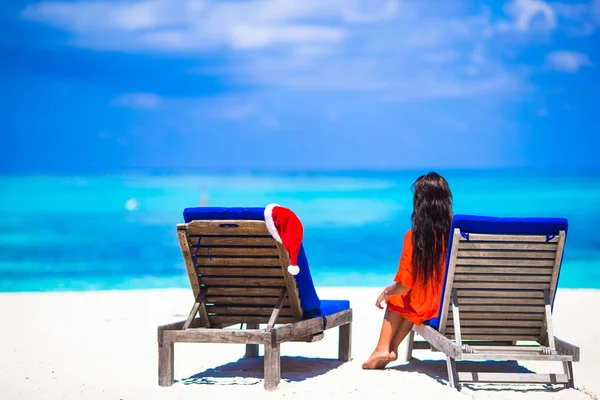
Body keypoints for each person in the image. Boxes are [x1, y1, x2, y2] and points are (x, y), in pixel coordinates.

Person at [362, 172, 453, 369]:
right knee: (411, 295)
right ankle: (389, 349)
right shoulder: (457, 236)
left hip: (434, 309)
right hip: (458, 308)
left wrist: (386, 292)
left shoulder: (415, 237)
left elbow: (404, 285)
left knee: (399, 294)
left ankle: (383, 348)